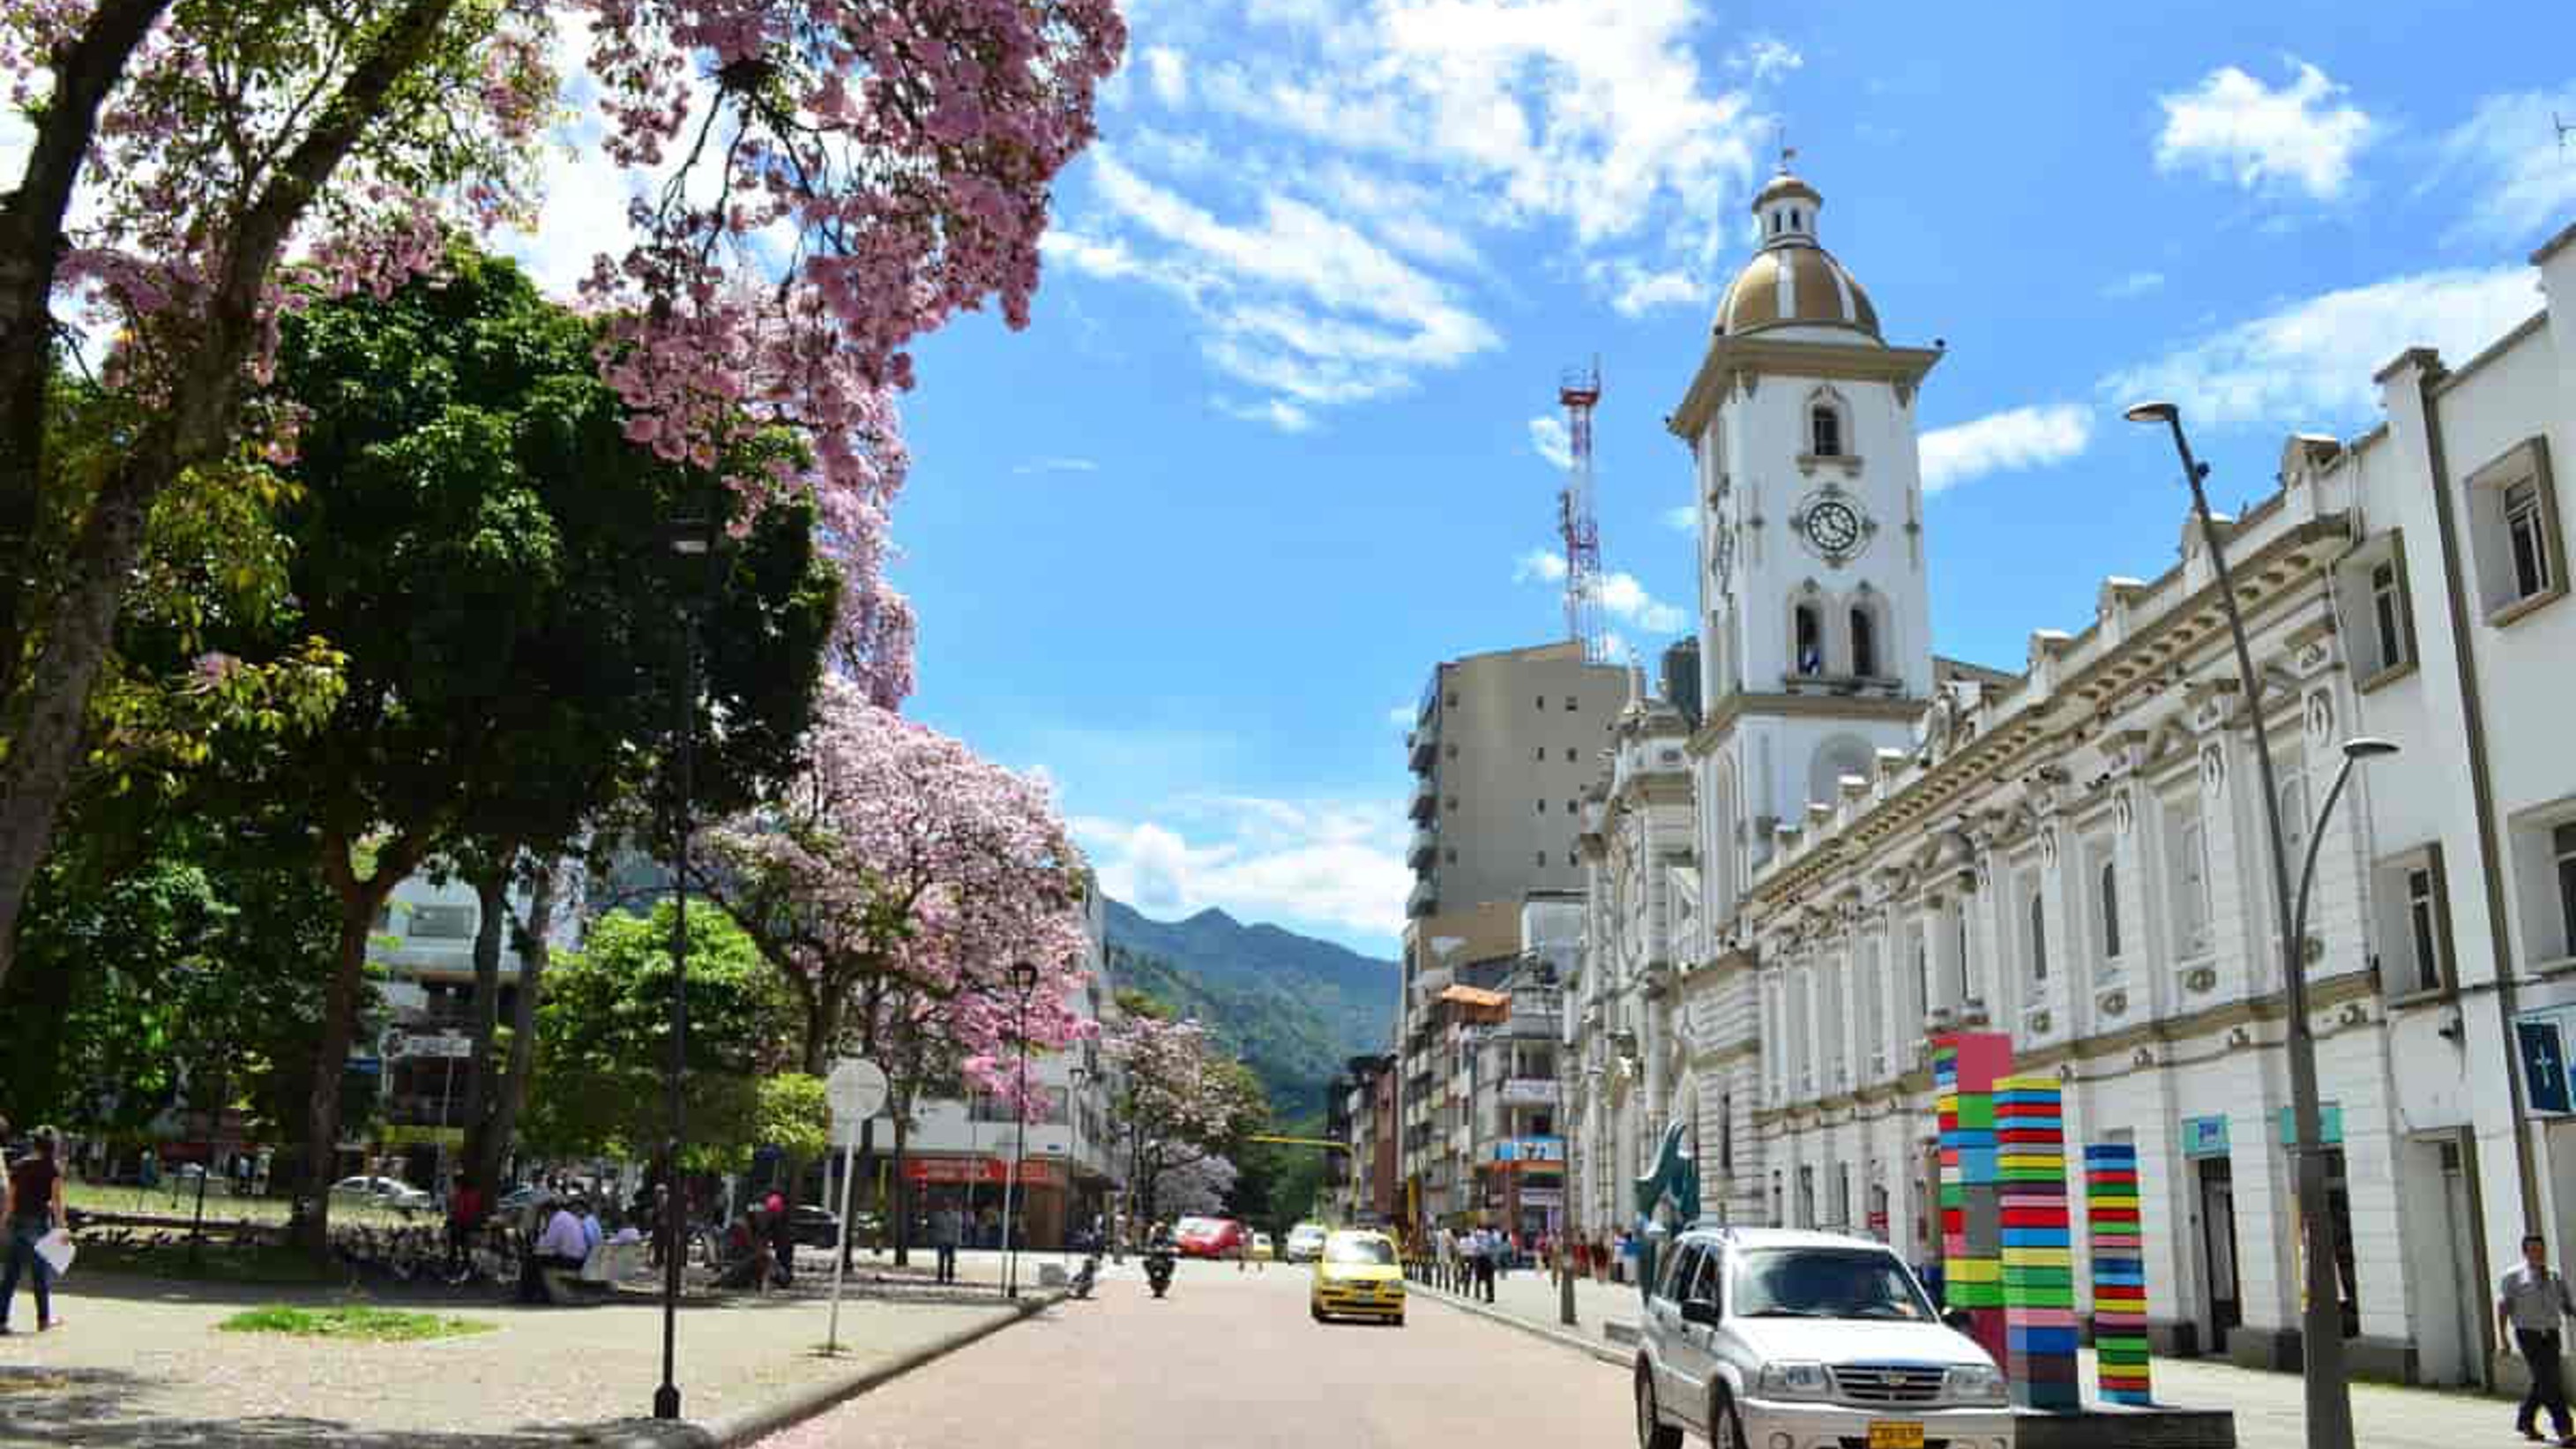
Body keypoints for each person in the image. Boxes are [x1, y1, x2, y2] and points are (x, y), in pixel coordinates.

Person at [2500, 1232, 2576, 1445]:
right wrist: (2503, 1338)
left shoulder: (2554, 1276)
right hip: (2528, 1334)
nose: (2538, 1253)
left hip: (2551, 1334)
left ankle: (2525, 1420)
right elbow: (2503, 1308)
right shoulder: (2513, 1277)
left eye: (2541, 1249)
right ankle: (2566, 1430)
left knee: (2543, 1381)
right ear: (2525, 1252)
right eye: (2532, 1250)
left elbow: (2566, 1305)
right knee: (2550, 1383)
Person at [1, 1127, 68, 1334]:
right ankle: (43, 1320)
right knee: (40, 1275)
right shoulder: (53, 1169)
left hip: (16, 1222)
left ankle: (1, 1320)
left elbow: (10, 1200)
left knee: (11, 1274)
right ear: (53, 1146)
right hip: (38, 1224)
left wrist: (3, 1222)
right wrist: (62, 1227)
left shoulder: (18, 1165)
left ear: (34, 1144)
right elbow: (56, 1202)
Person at [930, 1198, 964, 1285]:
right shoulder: (938, 1215)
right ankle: (940, 1277)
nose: (947, 1207)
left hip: (951, 1241)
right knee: (941, 1261)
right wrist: (936, 1239)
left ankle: (950, 1277)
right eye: (945, 1205)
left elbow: (958, 1230)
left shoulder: (957, 1216)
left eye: (948, 1205)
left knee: (951, 1261)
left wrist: (958, 1241)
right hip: (942, 1240)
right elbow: (936, 1228)